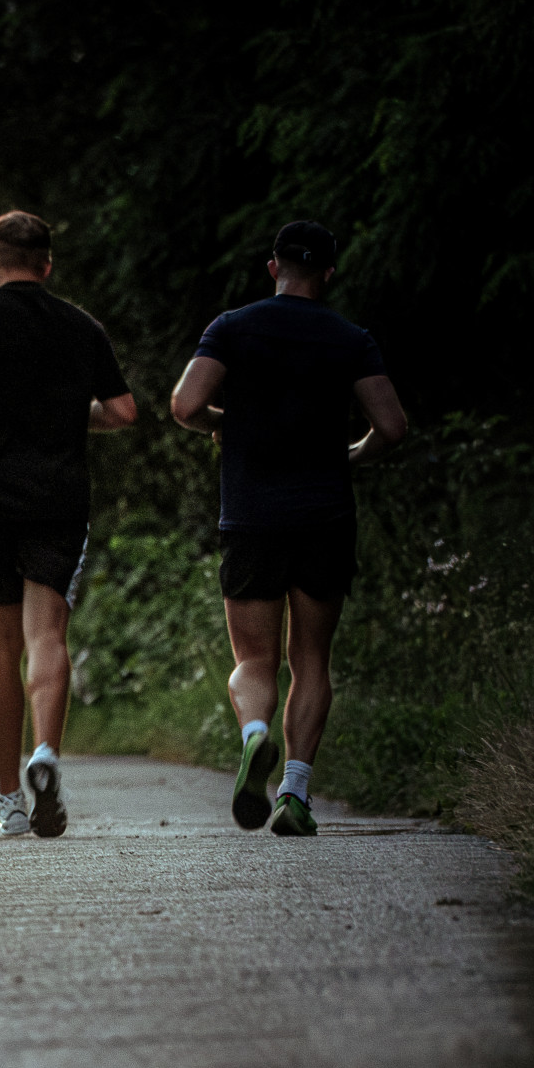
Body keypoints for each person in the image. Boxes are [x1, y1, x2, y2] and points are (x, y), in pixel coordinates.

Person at [168, 221, 407, 836]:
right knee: (311, 661)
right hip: (324, 515)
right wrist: (351, 453)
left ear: (273, 268)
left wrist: (231, 420)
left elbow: (185, 407)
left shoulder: (233, 327)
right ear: (329, 273)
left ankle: (254, 736)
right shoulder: (350, 339)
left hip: (251, 517)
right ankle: (294, 794)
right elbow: (393, 426)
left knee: (253, 660)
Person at [0, 211, 137, 838]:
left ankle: (10, 797)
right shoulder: (79, 326)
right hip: (58, 501)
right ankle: (47, 752)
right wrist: (71, 419)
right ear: (46, 265)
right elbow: (123, 411)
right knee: (48, 636)